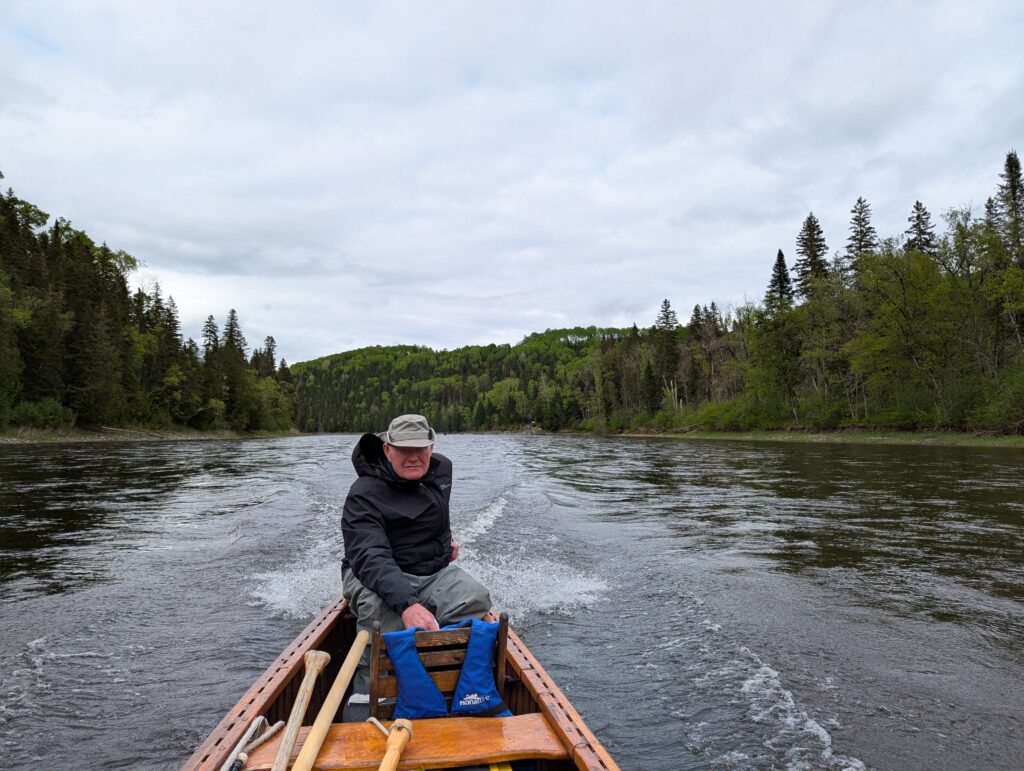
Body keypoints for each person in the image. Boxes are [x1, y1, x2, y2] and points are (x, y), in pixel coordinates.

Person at [341, 414, 492, 696]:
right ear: (387, 449)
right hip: (372, 571)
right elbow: (369, 555)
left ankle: (440, 673)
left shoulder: (440, 470)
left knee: (475, 598)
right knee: (380, 616)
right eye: (403, 450)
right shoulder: (363, 493)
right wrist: (408, 604)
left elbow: (434, 518)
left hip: (428, 570)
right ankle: (371, 693)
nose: (413, 457)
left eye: (419, 448)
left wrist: (444, 544)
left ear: (431, 447)